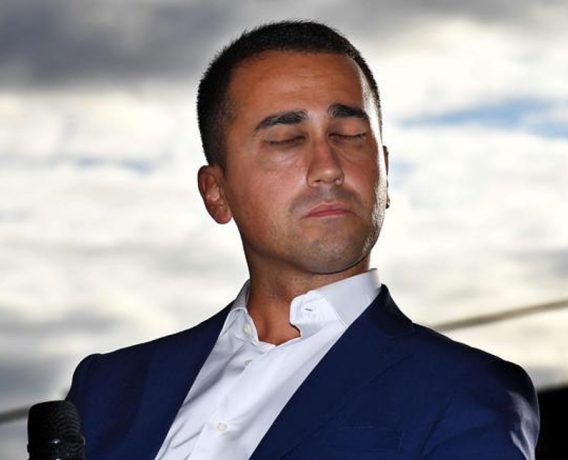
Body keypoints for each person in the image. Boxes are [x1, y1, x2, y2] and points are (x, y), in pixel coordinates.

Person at [66, 20, 540, 459]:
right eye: (286, 138)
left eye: (349, 134)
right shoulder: (107, 389)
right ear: (216, 192)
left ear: (385, 172)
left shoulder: (465, 391)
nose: (329, 167)